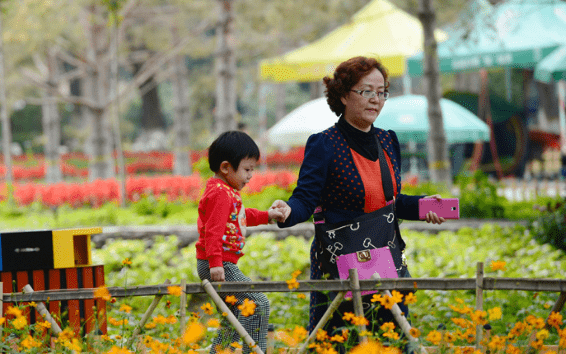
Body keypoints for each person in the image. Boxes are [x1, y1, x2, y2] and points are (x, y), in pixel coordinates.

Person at [275, 56, 445, 344]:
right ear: (343, 95)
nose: (375, 99)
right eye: (366, 91)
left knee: (392, 339)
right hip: (340, 263)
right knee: (339, 341)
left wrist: (423, 205)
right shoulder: (325, 143)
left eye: (381, 92)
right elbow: (306, 197)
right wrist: (287, 211)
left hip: (385, 259)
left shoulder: (388, 141)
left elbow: (390, 201)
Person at [196, 131, 287, 354]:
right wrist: (216, 263)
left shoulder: (226, 192)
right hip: (219, 264)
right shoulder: (221, 194)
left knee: (233, 317)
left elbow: (243, 217)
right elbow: (213, 231)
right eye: (247, 169)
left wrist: (268, 215)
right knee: (257, 304)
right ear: (226, 167)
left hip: (218, 263)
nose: (250, 176)